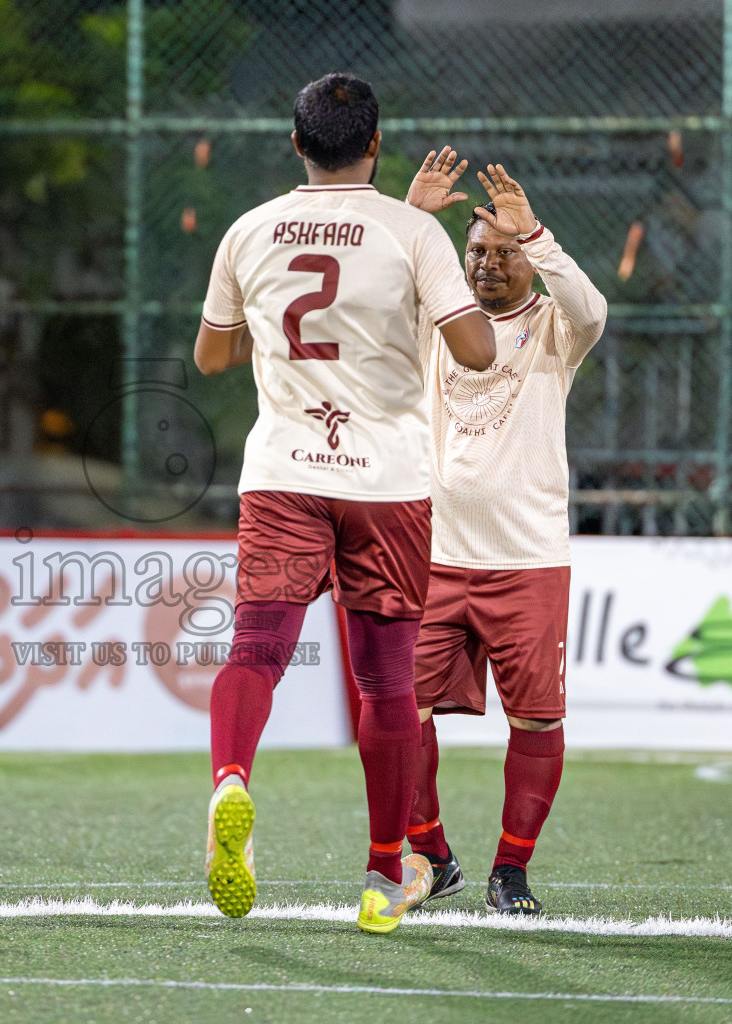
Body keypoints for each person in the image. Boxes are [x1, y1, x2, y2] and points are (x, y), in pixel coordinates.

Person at [195, 75, 495, 933]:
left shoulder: (249, 229)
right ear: (377, 142)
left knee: (256, 649)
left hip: (285, 472)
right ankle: (379, 875)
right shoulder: (414, 232)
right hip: (385, 483)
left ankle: (230, 783)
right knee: (387, 683)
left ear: (296, 145)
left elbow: (212, 358)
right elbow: (473, 352)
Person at [404, 151, 607, 915]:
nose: (486, 265)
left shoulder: (555, 328)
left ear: (527, 260)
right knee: (398, 709)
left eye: (501, 253)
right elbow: (376, 290)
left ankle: (511, 870)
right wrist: (412, 220)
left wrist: (539, 235)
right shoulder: (436, 318)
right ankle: (432, 852)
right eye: (475, 253)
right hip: (433, 553)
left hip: (526, 559)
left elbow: (592, 308)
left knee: (538, 718)